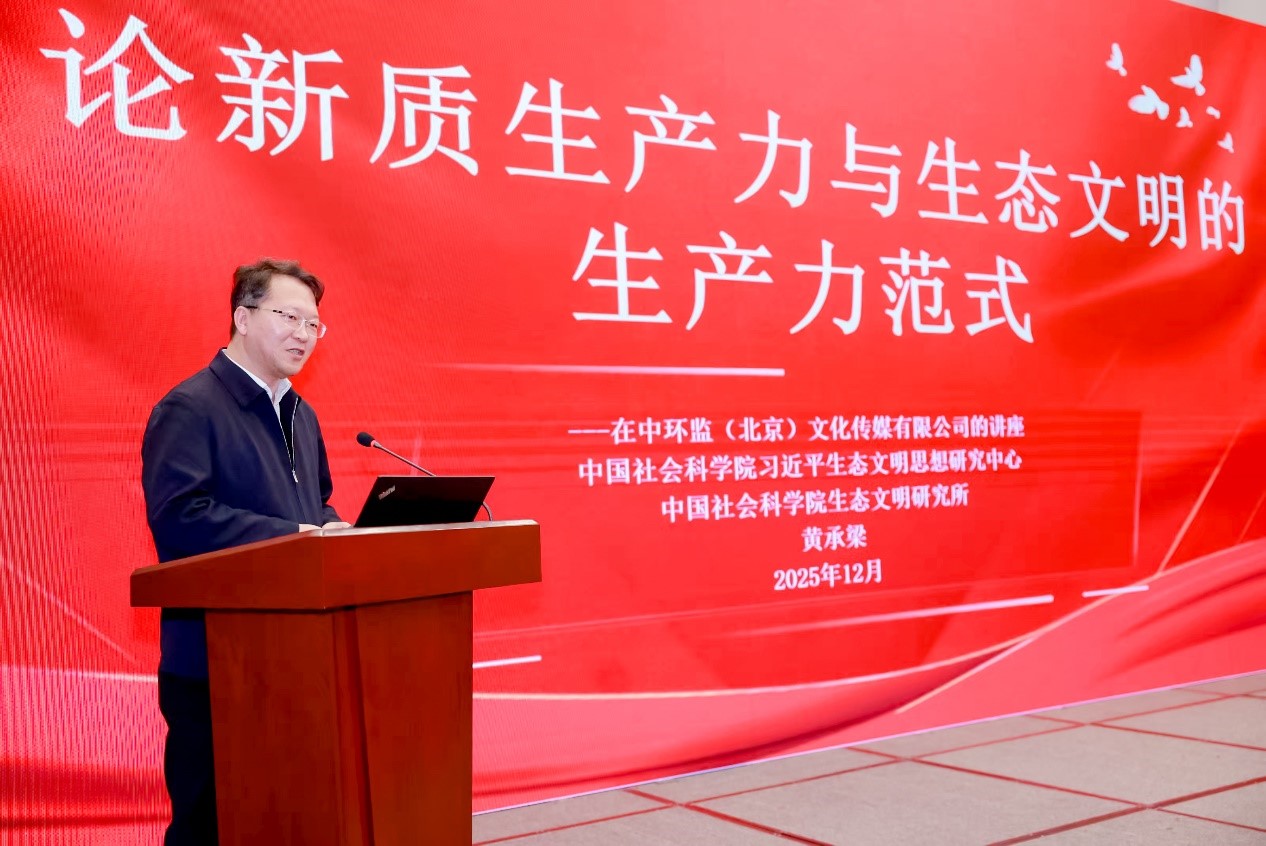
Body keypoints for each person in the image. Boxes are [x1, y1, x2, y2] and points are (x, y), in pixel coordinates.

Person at [140, 258, 350, 845]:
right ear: (243, 317)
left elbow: (313, 504)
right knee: (210, 826)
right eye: (290, 317)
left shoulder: (301, 414)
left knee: (282, 819)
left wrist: (337, 531)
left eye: (314, 325)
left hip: (295, 658)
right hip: (215, 665)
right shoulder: (190, 407)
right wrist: (297, 535)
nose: (304, 335)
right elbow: (181, 518)